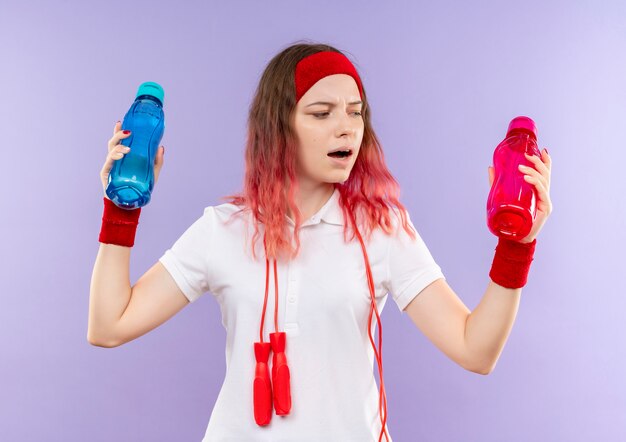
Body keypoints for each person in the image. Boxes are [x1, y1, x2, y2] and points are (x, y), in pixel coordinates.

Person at [88, 42, 553, 442]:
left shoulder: (383, 229)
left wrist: (516, 248)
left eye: (355, 113)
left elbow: (476, 350)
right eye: (321, 112)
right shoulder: (223, 229)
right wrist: (121, 212)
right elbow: (109, 326)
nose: (346, 127)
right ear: (280, 126)